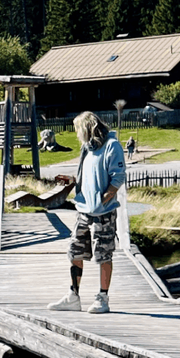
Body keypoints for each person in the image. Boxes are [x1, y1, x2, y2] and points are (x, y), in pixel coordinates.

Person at [50, 111, 125, 314]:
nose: (76, 134)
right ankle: (73, 296)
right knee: (74, 252)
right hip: (83, 211)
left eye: (77, 130)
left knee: (103, 255)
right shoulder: (87, 148)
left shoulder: (112, 146)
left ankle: (103, 298)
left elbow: (118, 177)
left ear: (87, 128)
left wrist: (102, 200)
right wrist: (73, 181)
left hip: (104, 212)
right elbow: (90, 176)